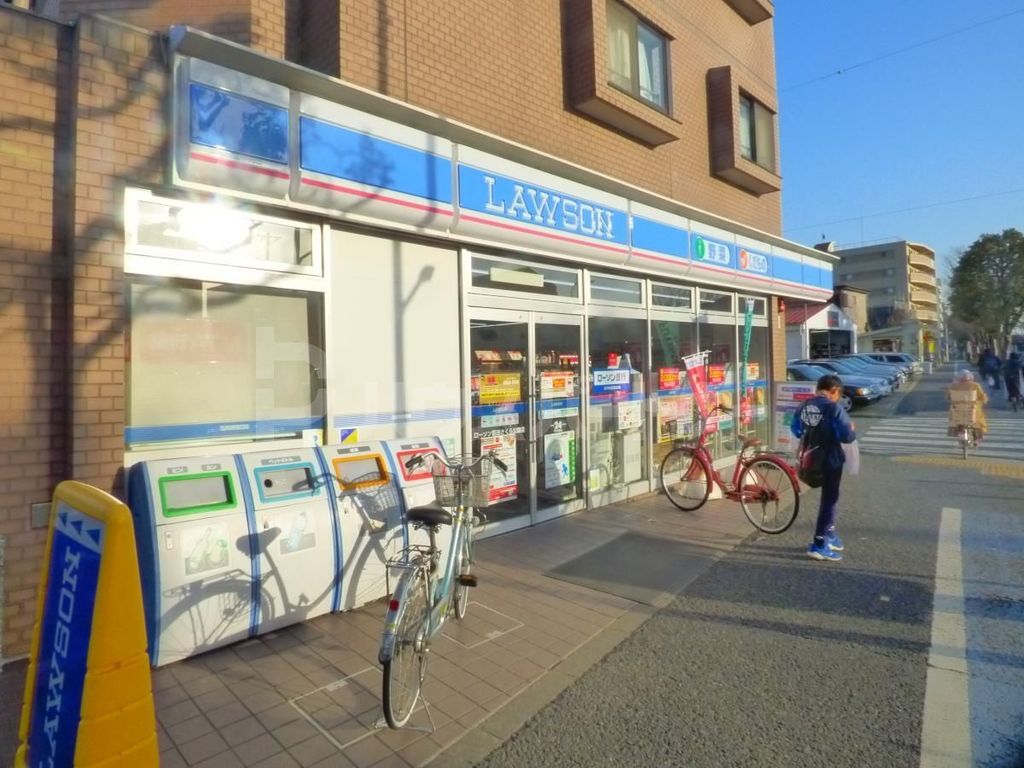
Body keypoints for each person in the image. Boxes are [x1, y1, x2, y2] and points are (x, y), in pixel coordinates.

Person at [790, 373, 857, 562]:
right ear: (834, 391)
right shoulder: (834, 408)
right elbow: (846, 436)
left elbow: (795, 429)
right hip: (830, 459)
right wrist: (851, 428)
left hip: (809, 459)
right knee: (829, 500)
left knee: (829, 500)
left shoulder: (803, 406)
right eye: (838, 394)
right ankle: (819, 544)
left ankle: (829, 534)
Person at [948, 370, 988, 440]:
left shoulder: (953, 386)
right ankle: (977, 437)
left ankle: (959, 432)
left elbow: (948, 397)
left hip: (957, 411)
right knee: (978, 418)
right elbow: (982, 396)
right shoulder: (975, 385)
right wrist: (984, 400)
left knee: (956, 416)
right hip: (971, 410)